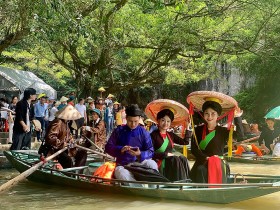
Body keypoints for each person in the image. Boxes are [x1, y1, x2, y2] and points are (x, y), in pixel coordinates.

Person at [187, 91, 244, 183]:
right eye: (206, 113)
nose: (209, 116)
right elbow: (194, 149)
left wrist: (237, 117)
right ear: (203, 114)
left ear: (218, 115)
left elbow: (240, 136)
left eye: (213, 113)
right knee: (201, 170)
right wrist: (206, 158)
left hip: (218, 164)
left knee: (204, 170)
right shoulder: (197, 130)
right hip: (202, 162)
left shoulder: (223, 131)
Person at [105, 104, 158, 186]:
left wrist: (140, 154)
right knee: (120, 173)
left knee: (152, 164)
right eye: (130, 121)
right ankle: (140, 189)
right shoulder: (118, 130)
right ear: (126, 118)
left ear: (140, 119)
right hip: (123, 164)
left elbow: (151, 151)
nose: (133, 124)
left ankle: (154, 188)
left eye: (136, 121)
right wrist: (121, 149)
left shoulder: (144, 132)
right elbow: (108, 147)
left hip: (140, 162)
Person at [150, 109, 190, 182]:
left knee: (183, 158)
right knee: (175, 159)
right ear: (158, 121)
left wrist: (187, 127)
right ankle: (178, 182)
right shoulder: (153, 135)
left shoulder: (171, 135)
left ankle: (186, 181)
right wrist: (166, 154)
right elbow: (150, 153)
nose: (165, 123)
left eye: (168, 121)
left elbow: (185, 142)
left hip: (170, 160)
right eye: (163, 120)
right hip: (159, 161)